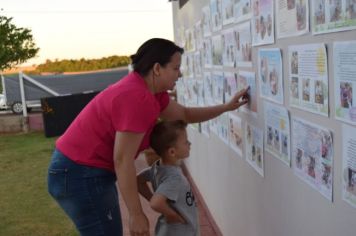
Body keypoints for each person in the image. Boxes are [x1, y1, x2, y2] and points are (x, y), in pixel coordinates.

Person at [47, 38, 249, 236]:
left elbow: (185, 115)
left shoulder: (152, 92)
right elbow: (122, 159)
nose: (180, 74)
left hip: (83, 171)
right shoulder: (137, 97)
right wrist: (136, 214)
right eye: (176, 68)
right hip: (78, 174)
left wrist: (226, 107)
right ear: (157, 69)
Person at [137, 120, 198, 236]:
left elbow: (138, 180)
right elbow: (156, 203)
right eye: (185, 142)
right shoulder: (174, 177)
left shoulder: (157, 167)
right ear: (172, 152)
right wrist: (172, 215)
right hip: (179, 231)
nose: (189, 143)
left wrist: (152, 198)